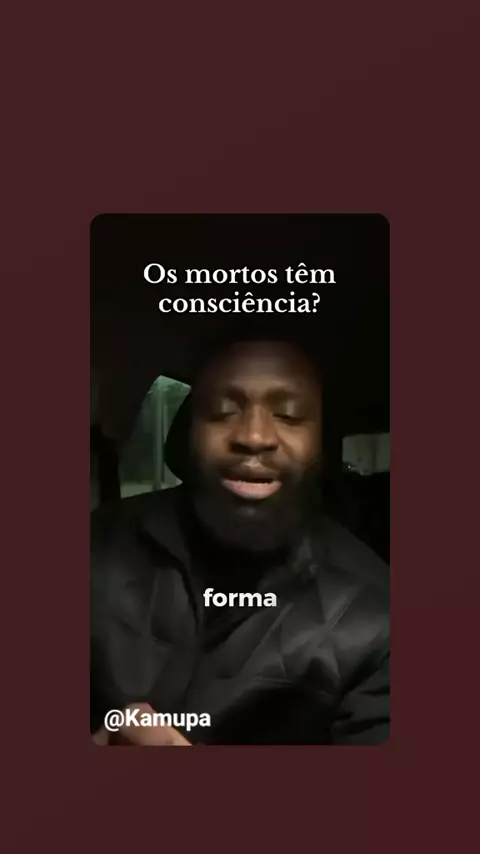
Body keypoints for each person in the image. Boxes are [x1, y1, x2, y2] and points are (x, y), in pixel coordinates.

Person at [91, 335, 390, 745]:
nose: (253, 436)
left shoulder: (378, 611)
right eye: (222, 411)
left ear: (322, 442)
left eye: (288, 415)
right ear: (189, 432)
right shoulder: (97, 544)